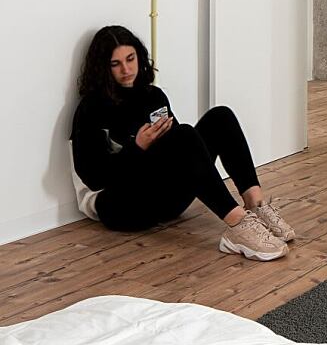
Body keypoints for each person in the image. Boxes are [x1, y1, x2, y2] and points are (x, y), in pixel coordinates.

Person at [70, 25, 295, 261]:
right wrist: (137, 148)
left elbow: (181, 150)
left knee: (220, 117)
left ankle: (256, 205)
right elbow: (94, 177)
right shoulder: (90, 109)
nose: (126, 69)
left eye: (130, 59)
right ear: (102, 67)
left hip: (162, 197)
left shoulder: (152, 96)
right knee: (184, 134)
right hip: (120, 208)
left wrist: (158, 145)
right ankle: (238, 224)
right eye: (115, 64)